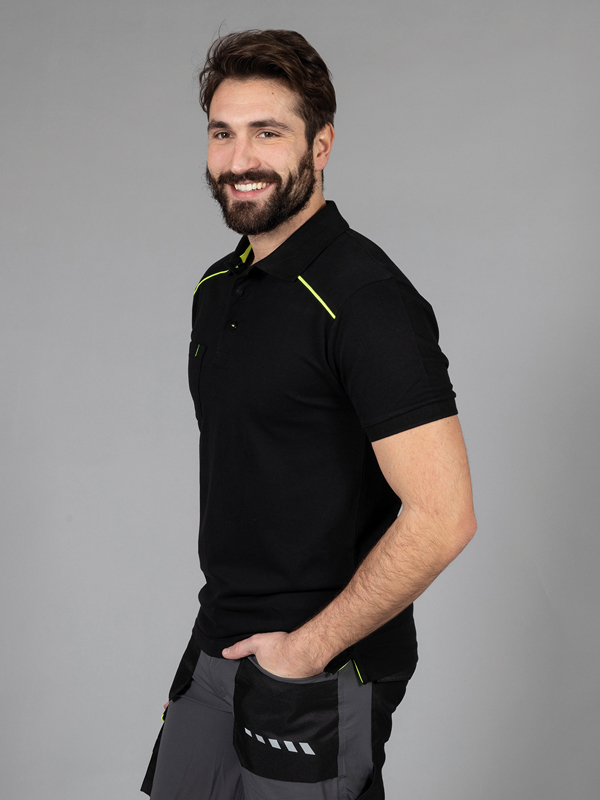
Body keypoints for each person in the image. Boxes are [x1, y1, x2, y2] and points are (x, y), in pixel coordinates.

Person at [142, 28, 476, 800]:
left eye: (268, 132)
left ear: (320, 145)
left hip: (322, 666)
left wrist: (302, 652)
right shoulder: (216, 290)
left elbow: (443, 517)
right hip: (217, 649)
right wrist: (207, 654)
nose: (239, 159)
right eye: (222, 133)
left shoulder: (365, 298)